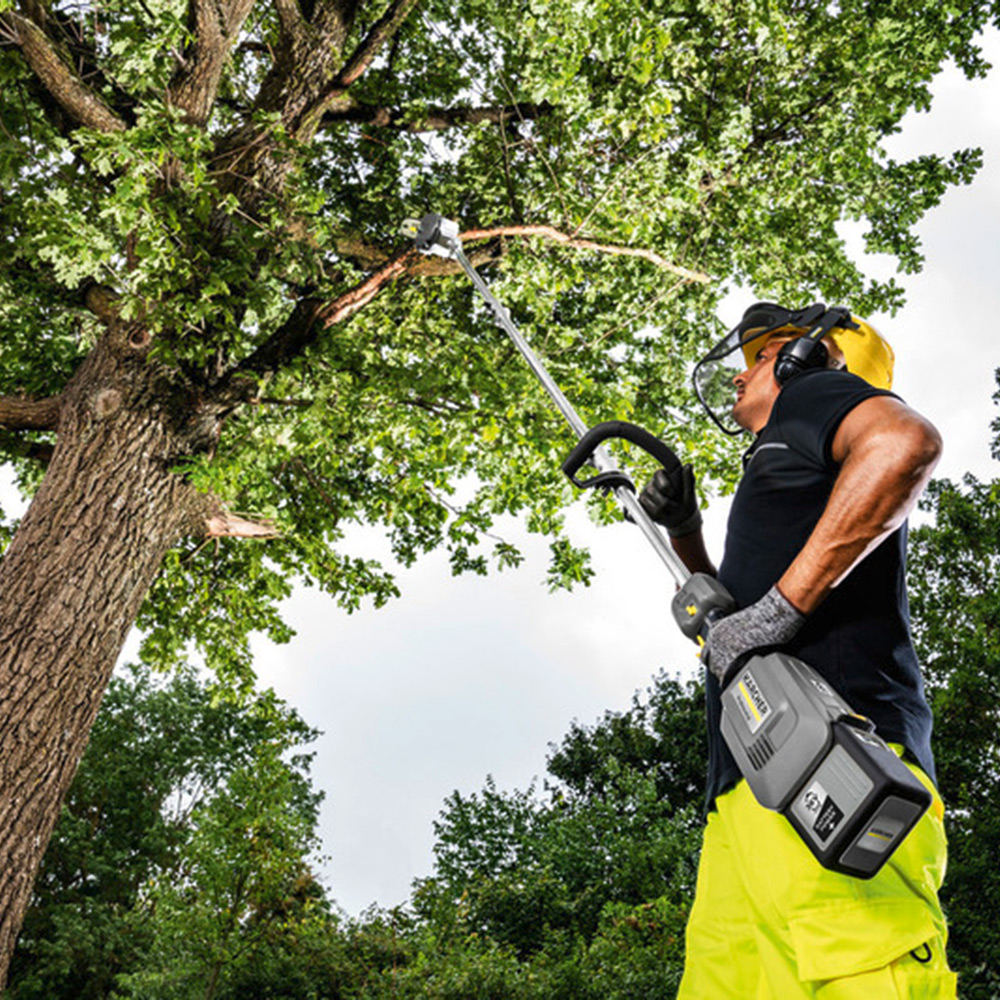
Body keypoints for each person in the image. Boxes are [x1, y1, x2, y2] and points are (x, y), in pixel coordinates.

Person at [640, 303, 957, 997]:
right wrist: (686, 532)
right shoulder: (783, 468)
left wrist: (776, 614)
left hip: (835, 762)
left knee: (858, 976)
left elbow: (902, 445)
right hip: (747, 793)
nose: (741, 374)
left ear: (807, 359)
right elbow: (733, 631)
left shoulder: (814, 399)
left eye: (764, 354)